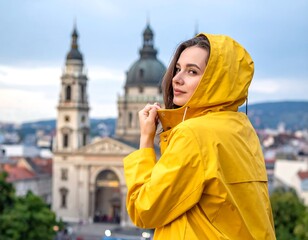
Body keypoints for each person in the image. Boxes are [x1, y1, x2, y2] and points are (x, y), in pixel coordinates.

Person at [123, 33, 276, 239]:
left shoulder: (192, 135)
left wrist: (146, 140)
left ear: (215, 81)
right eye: (177, 69)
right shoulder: (242, 129)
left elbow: (143, 210)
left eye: (192, 71)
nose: (176, 79)